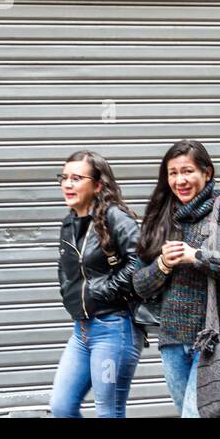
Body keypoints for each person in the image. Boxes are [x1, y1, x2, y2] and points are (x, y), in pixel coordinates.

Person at [131, 139, 220, 417]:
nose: (180, 180)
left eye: (188, 171)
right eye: (173, 173)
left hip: (219, 339)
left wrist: (198, 256)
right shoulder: (161, 216)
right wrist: (163, 264)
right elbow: (139, 284)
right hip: (173, 342)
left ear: (207, 173)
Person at [48, 150, 144, 418]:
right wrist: (68, 294)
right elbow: (67, 270)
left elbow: (141, 261)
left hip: (114, 329)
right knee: (61, 407)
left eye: (76, 178)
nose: (68, 184)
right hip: (82, 330)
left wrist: (104, 290)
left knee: (108, 412)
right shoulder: (69, 223)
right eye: (64, 178)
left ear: (98, 184)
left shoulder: (116, 218)